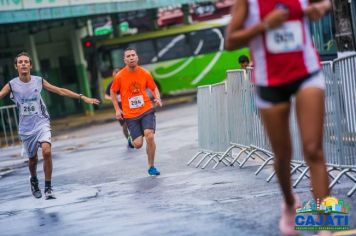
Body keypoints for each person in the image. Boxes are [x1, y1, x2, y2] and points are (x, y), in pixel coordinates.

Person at [225, 1, 331, 235]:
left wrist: (320, 9)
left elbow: (325, 3)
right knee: (283, 155)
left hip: (307, 72)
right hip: (269, 81)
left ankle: (326, 224)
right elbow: (230, 41)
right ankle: (290, 203)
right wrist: (264, 25)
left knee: (313, 149)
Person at [0, 52, 100, 200]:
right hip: (26, 128)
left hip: (42, 122)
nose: (23, 64)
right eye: (20, 62)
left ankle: (48, 187)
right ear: (16, 66)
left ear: (31, 65)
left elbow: (59, 91)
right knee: (32, 160)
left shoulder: (38, 81)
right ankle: (33, 179)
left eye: (26, 62)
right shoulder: (12, 85)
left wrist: (82, 97)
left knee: (47, 151)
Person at [110, 48, 162, 176]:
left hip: (146, 109)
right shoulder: (120, 76)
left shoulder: (144, 73)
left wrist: (158, 98)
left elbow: (154, 88)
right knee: (138, 144)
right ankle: (131, 139)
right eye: (128, 56)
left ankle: (151, 167)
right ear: (125, 60)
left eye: (133, 55)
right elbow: (112, 92)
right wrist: (117, 109)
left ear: (137, 57)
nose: (131, 57)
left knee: (149, 135)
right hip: (130, 115)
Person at [104, 69, 134, 148]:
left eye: (118, 75)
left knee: (132, 123)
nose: (117, 77)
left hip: (128, 106)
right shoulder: (111, 85)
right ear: (113, 76)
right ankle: (128, 139)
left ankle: (135, 137)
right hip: (119, 107)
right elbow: (106, 96)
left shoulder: (126, 82)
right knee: (124, 126)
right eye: (115, 75)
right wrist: (113, 98)